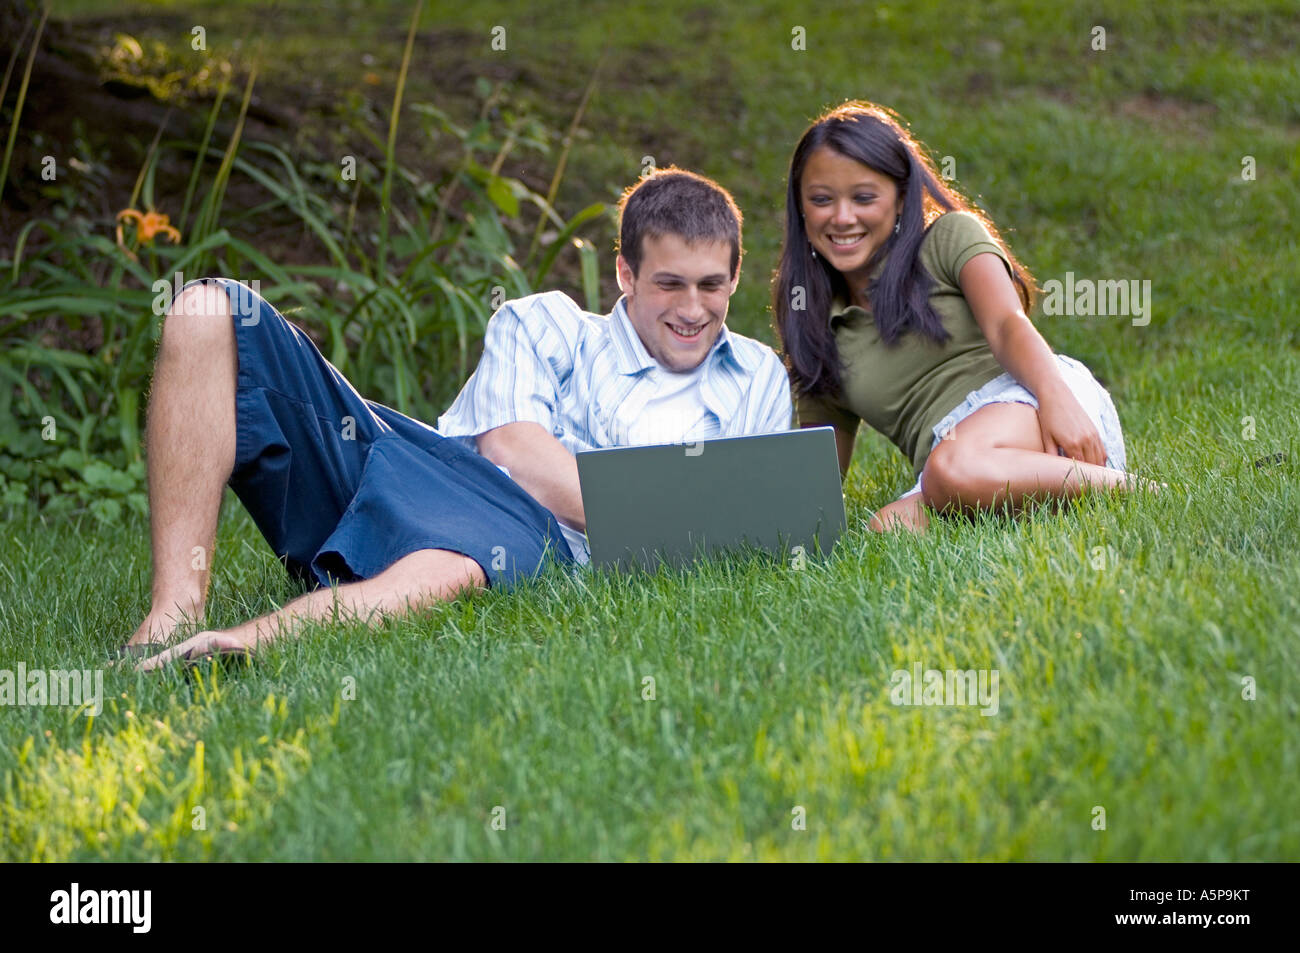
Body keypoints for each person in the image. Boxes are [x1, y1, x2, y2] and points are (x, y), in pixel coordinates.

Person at [129, 167, 792, 670]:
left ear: (735, 278)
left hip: (530, 537)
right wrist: (672, 515)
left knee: (460, 560)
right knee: (209, 309)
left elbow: (758, 522)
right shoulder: (544, 322)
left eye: (711, 284)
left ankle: (241, 644)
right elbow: (515, 452)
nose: (693, 307)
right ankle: (170, 614)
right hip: (418, 464)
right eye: (669, 283)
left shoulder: (756, 375)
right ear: (625, 272)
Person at [772, 101, 1151, 533]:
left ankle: (1136, 490)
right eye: (822, 200)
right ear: (801, 207)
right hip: (948, 467)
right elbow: (821, 471)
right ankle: (1036, 501)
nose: (842, 217)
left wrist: (1056, 399)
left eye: (864, 197)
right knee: (887, 528)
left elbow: (1008, 324)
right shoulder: (814, 321)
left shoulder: (949, 237)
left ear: (901, 198)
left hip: (1029, 401)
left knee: (952, 467)